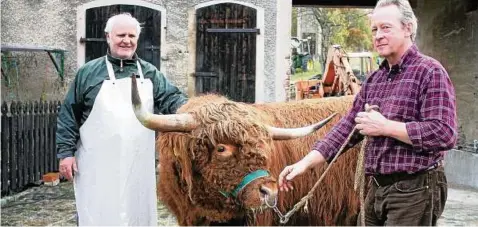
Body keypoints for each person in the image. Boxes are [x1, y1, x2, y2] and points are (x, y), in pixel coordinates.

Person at [278, 0, 457, 226]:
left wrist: (385, 127)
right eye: (374, 29)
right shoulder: (375, 79)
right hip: (377, 187)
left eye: (386, 27)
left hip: (415, 187)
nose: (378, 35)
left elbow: (444, 133)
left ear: (408, 28)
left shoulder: (430, 72)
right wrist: (304, 164)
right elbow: (346, 129)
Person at [56, 13, 187, 226]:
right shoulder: (88, 73)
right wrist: (65, 154)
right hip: (96, 164)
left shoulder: (150, 73)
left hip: (138, 162)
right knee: (98, 212)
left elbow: (172, 99)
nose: (126, 40)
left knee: (136, 213)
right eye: (121, 35)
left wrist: (197, 110)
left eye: (131, 35)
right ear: (108, 37)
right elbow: (69, 115)